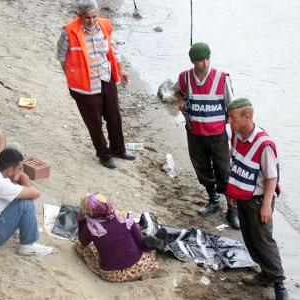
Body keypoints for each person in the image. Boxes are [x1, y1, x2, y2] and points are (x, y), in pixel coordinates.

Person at [56, 0, 135, 169]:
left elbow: (112, 50)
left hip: (106, 78)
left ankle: (118, 150)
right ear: (79, 16)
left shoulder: (104, 25)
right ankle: (104, 154)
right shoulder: (69, 31)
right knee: (94, 122)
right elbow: (62, 57)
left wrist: (120, 70)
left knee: (114, 116)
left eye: (94, 17)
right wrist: (71, 78)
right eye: (87, 18)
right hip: (84, 85)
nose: (91, 21)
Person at [226, 98, 288, 300]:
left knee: (264, 242)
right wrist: (233, 193)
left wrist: (267, 206)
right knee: (250, 240)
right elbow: (236, 163)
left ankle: (279, 284)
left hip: (259, 200)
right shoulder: (236, 136)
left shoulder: (264, 144)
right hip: (243, 197)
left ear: (247, 116)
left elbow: (272, 178)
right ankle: (265, 274)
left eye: (232, 117)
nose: (229, 121)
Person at [173, 42, 239, 229]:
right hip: (194, 133)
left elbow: (232, 108)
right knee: (201, 168)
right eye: (200, 60)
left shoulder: (221, 78)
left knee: (224, 172)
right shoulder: (185, 77)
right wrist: (181, 102)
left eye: (206, 58)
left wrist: (236, 137)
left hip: (217, 135)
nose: (205, 63)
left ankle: (232, 210)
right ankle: (213, 200)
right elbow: (177, 91)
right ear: (193, 62)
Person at [75, 193, 165, 282]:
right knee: (146, 248)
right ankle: (145, 269)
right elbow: (140, 244)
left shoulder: (91, 228)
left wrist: (80, 220)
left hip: (112, 273)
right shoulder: (124, 217)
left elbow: (82, 242)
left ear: (89, 213)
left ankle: (135, 274)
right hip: (138, 265)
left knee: (79, 246)